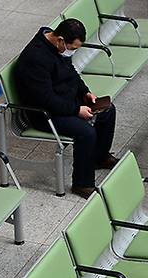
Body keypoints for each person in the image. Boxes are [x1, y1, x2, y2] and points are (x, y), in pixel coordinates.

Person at [14, 18, 119, 199]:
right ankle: (82, 183)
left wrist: (85, 93)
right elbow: (45, 99)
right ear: (61, 40)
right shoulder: (36, 59)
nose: (73, 52)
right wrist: (76, 110)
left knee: (108, 111)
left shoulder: (58, 49)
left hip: (65, 100)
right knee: (85, 132)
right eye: (73, 48)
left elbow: (71, 72)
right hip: (44, 113)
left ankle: (99, 157)